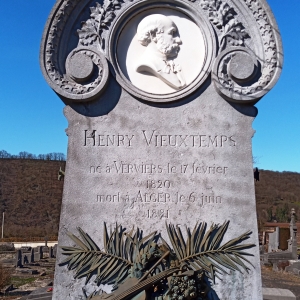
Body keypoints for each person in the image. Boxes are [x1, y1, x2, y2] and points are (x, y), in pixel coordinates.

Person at [136, 14, 186, 90]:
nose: (178, 40)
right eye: (171, 33)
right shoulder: (146, 63)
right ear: (153, 35)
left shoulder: (169, 63)